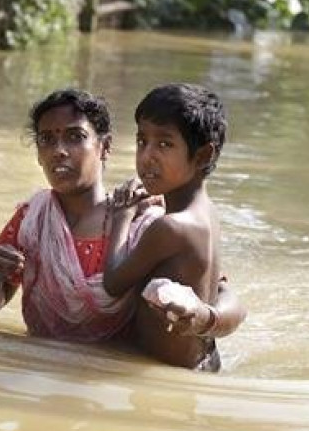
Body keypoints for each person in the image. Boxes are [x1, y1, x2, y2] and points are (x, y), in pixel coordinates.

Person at [0, 88, 239, 345]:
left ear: (105, 146)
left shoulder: (142, 220)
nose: (58, 150)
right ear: (39, 155)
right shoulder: (31, 219)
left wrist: (205, 318)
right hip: (41, 369)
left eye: (75, 136)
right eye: (47, 139)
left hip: (110, 375)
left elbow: (218, 291)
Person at [103, 84, 247, 372]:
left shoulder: (170, 227)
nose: (147, 156)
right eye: (142, 141)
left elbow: (113, 282)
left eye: (165, 144)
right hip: (203, 362)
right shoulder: (209, 213)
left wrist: (122, 216)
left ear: (203, 155)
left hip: (164, 370)